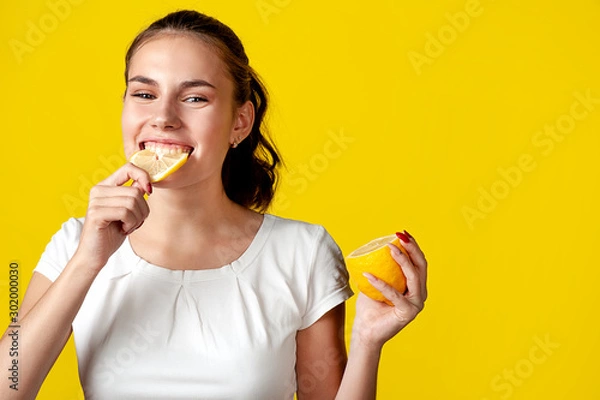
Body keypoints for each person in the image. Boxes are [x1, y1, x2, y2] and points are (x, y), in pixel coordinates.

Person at [1, 10, 427, 400]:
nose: (163, 117)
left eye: (195, 98)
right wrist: (87, 262)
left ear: (240, 122)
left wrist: (369, 340)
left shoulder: (303, 252)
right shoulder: (74, 245)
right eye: (144, 94)